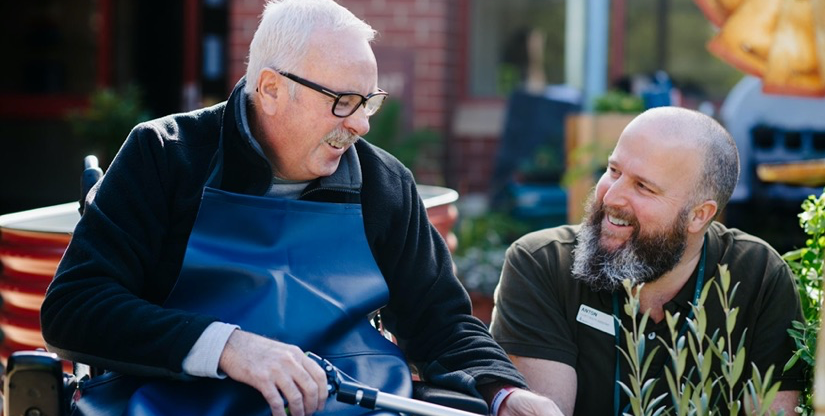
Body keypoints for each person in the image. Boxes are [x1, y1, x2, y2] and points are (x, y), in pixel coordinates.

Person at [40, 1, 562, 415]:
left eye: (369, 101)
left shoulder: (384, 184)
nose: (361, 125)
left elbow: (442, 324)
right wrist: (230, 348)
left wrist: (503, 393)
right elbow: (74, 308)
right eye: (343, 102)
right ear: (271, 89)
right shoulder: (166, 155)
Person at [490, 106, 806, 415]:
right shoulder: (542, 263)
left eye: (643, 187)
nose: (611, 196)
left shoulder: (758, 276)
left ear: (698, 215)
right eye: (613, 170)